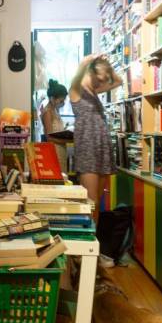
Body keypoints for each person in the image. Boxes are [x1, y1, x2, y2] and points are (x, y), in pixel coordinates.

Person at [70, 54, 122, 227]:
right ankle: (89, 249)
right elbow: (77, 76)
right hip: (88, 151)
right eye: (99, 79)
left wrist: (107, 66)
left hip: (102, 149)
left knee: (96, 205)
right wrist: (87, 61)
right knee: (90, 205)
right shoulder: (77, 90)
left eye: (103, 80)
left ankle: (95, 248)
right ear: (89, 72)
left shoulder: (94, 90)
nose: (102, 84)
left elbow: (118, 81)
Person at [41, 79, 71, 172]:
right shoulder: (48, 112)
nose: (63, 103)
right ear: (52, 98)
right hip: (54, 151)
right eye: (61, 100)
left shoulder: (55, 111)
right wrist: (66, 140)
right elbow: (49, 137)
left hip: (61, 149)